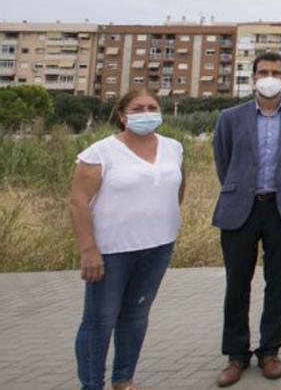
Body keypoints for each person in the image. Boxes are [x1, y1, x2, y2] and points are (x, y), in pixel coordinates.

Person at [211, 52, 281, 387]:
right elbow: (223, 160)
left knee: (278, 281)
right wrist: (241, 188)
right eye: (263, 72)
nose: (268, 77)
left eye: (275, 72)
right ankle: (236, 355)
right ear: (253, 76)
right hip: (241, 208)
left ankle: (270, 351)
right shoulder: (231, 117)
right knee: (237, 282)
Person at [69, 88, 185, 390]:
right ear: (122, 115)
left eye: (151, 107)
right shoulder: (100, 153)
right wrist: (88, 249)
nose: (146, 113)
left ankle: (124, 380)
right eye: (137, 108)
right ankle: (92, 384)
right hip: (111, 250)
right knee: (99, 321)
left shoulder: (173, 147)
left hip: (157, 245)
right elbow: (78, 202)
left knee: (135, 316)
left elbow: (177, 188)